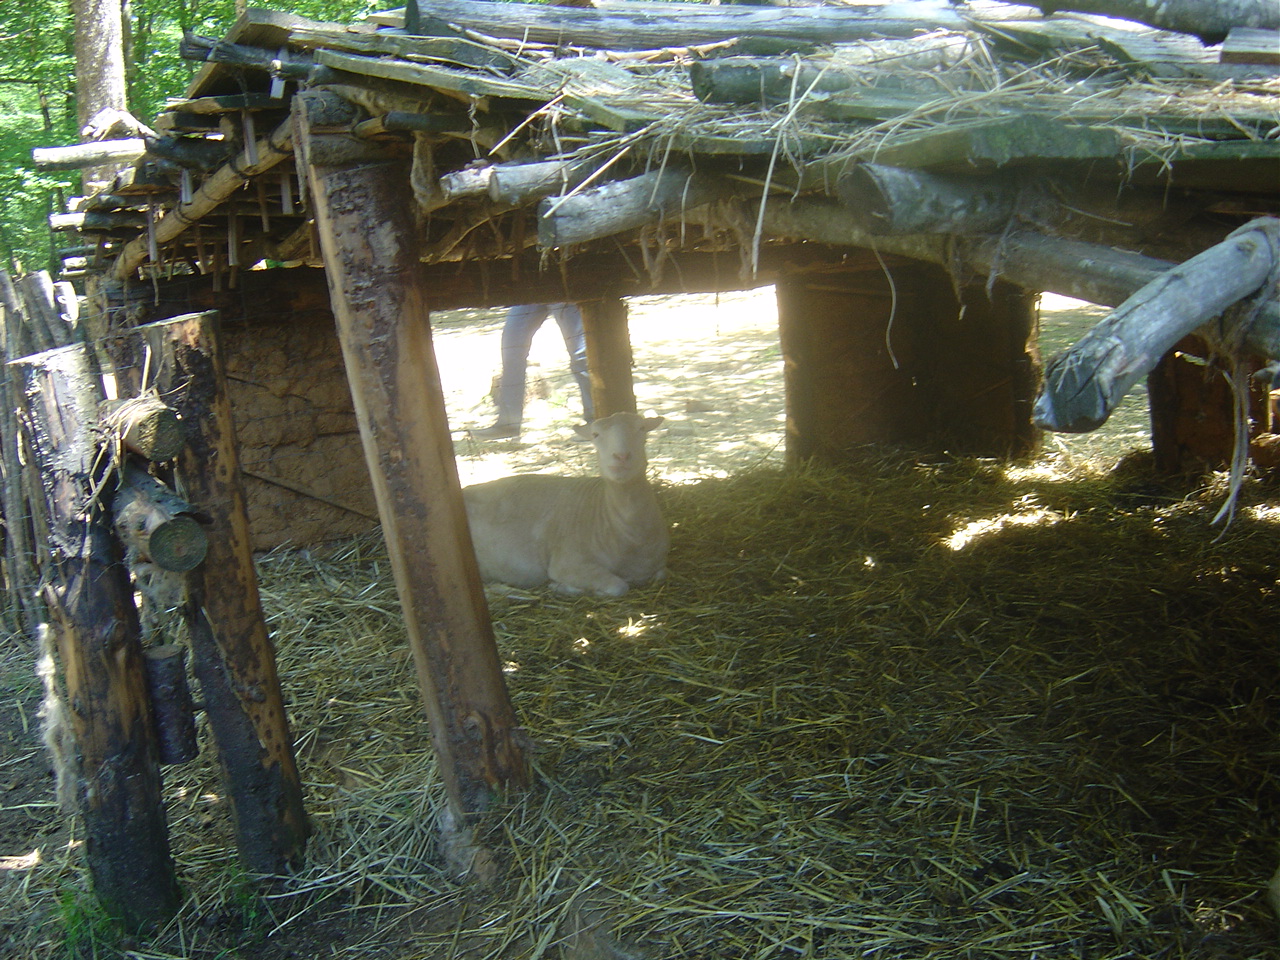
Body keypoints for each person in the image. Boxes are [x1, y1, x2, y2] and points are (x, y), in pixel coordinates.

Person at [472, 302, 595, 439]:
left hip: (562, 290)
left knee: (580, 356)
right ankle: (508, 424)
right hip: (529, 291)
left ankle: (595, 424)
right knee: (511, 347)